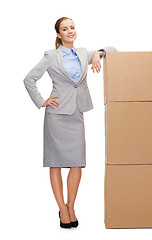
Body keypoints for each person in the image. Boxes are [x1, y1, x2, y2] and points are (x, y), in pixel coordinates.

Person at [23, 16, 117, 229]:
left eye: (72, 27)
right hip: (56, 115)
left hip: (76, 114)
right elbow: (29, 79)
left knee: (77, 163)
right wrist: (42, 101)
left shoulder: (84, 53)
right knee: (55, 163)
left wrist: (99, 54)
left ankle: (71, 206)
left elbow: (113, 49)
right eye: (65, 29)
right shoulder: (50, 56)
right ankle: (62, 210)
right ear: (58, 34)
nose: (70, 31)